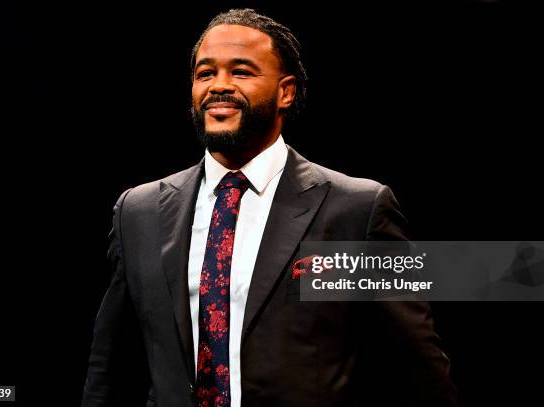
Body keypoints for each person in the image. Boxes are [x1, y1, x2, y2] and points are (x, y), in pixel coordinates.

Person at [82, 8, 457, 407]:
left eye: (241, 72)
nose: (218, 86)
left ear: (286, 91)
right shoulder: (138, 212)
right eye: (205, 73)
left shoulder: (356, 210)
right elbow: (111, 367)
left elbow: (419, 372)